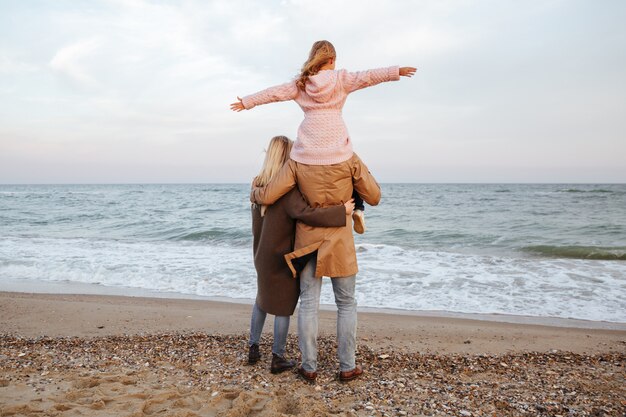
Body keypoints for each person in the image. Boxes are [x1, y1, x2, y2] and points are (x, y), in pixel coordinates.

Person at [231, 40, 416, 234]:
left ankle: (260, 195)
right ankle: (359, 208)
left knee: (274, 191)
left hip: (306, 153)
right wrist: (396, 72)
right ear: (331, 59)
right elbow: (368, 77)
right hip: (338, 151)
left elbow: (274, 93)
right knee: (357, 172)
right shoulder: (341, 79)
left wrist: (247, 102)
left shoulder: (301, 83)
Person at [249, 152, 381, 382]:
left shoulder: (298, 160)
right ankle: (347, 367)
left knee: (309, 304)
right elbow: (374, 195)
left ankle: (309, 367)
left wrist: (254, 192)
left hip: (307, 242)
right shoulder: (348, 157)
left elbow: (269, 195)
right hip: (340, 241)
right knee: (347, 304)